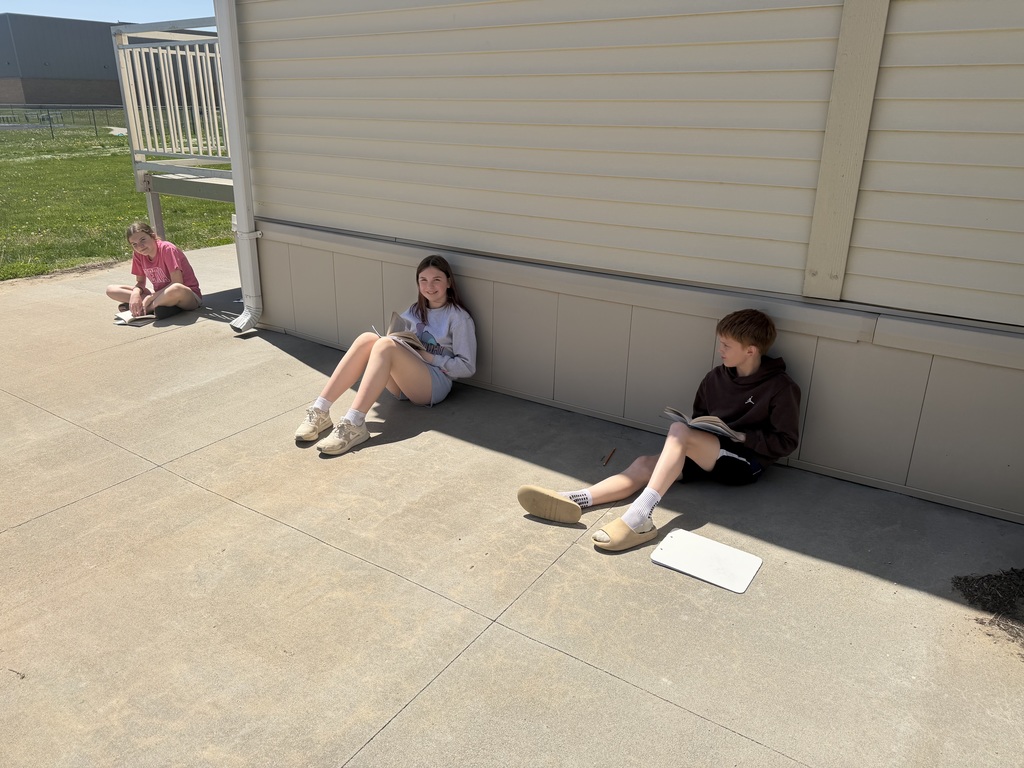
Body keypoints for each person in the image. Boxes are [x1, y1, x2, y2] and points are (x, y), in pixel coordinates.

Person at [517, 308, 800, 551]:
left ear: (750, 350)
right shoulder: (715, 378)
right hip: (709, 452)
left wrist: (743, 437)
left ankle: (640, 517)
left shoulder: (780, 387)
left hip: (744, 462)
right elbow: (701, 419)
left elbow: (786, 442)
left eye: (726, 345)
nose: (720, 350)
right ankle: (577, 499)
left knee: (679, 431)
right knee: (644, 463)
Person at [294, 254, 476, 455]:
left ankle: (354, 424)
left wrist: (428, 357)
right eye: (423, 280)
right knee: (367, 339)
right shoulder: (415, 311)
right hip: (406, 382)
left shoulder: (458, 317)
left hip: (434, 384)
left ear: (449, 282)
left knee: (385, 346)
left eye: (436, 280)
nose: (429, 286)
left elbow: (467, 367)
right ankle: (320, 411)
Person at [105, 221, 202, 319]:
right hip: (160, 295)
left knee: (176, 288)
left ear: (152, 236)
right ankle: (160, 307)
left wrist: (150, 297)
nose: (140, 246)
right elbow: (140, 282)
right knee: (111, 290)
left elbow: (177, 282)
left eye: (143, 240)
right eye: (134, 244)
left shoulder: (167, 249)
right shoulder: (138, 254)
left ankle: (145, 310)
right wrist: (135, 294)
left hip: (187, 296)